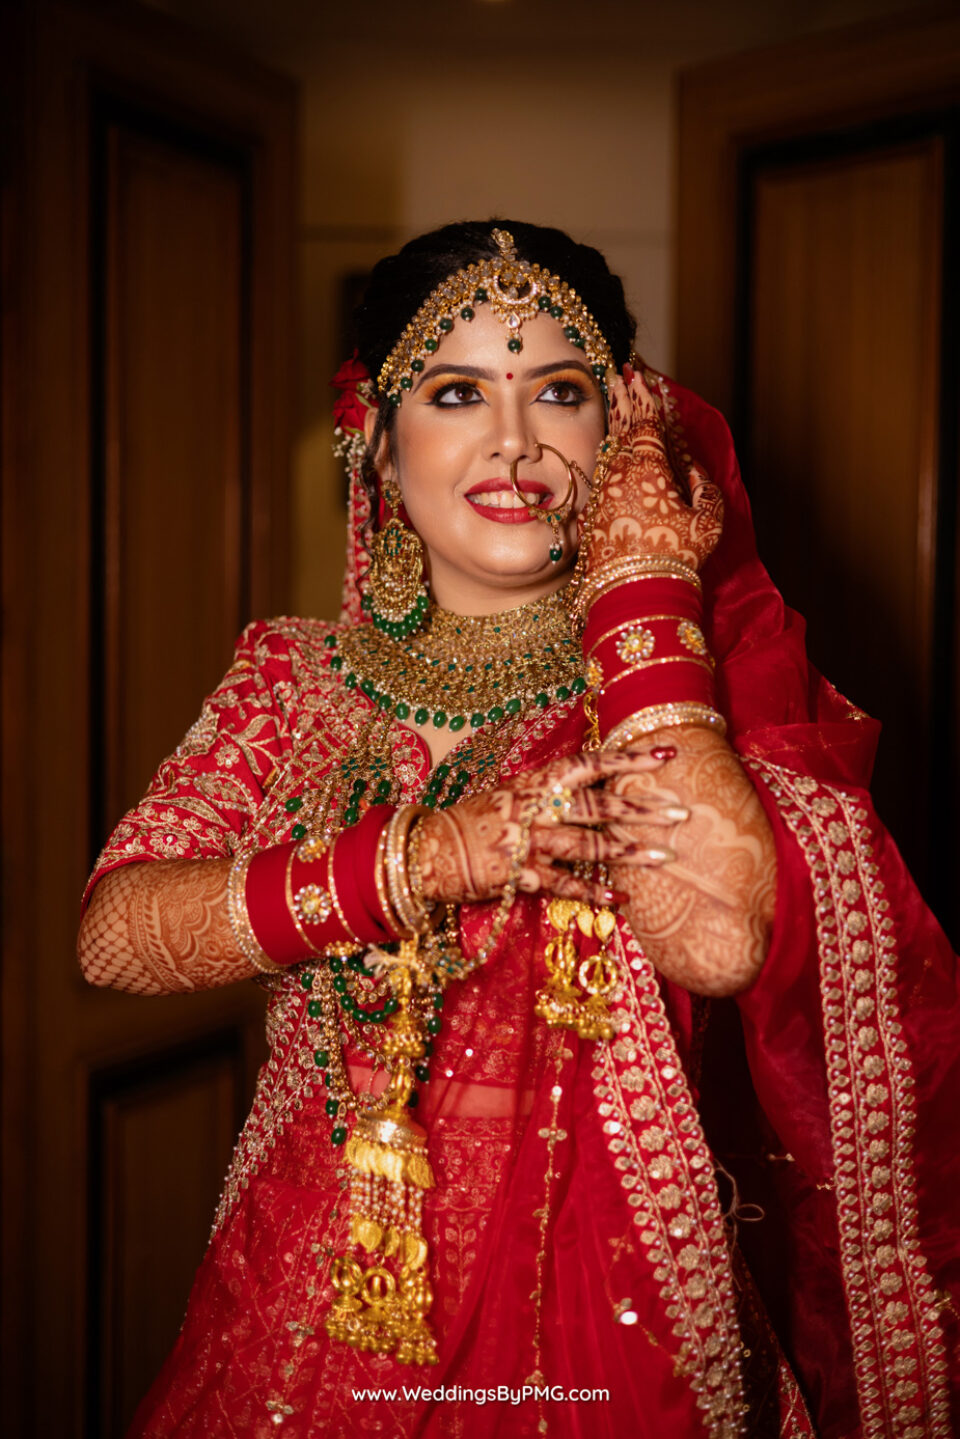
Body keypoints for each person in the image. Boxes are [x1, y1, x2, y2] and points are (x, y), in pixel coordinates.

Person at [78, 220, 959, 1439]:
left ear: (623, 428)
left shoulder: (656, 683)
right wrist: (436, 854)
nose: (514, 441)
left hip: (598, 1307)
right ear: (375, 438)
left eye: (560, 391)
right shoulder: (293, 676)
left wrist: (644, 583)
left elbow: (717, 939)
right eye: (456, 393)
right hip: (305, 1291)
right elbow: (113, 934)